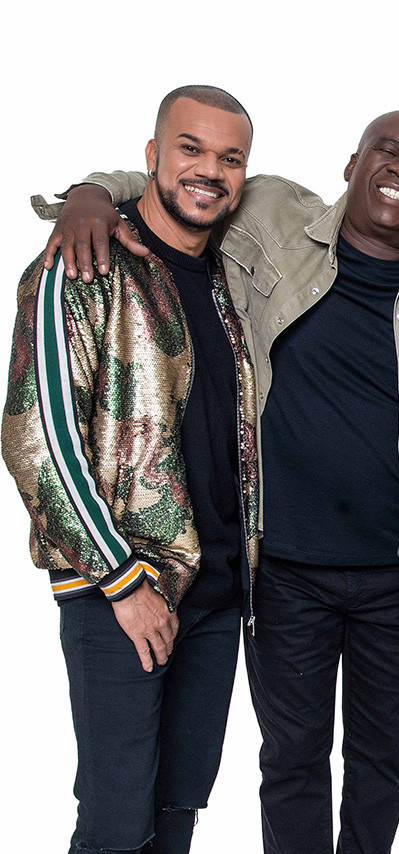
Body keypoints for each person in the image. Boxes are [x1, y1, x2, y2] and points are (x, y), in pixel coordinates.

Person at [39, 110, 399, 854]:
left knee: (374, 761)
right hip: (281, 571)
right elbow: (182, 186)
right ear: (351, 164)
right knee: (278, 764)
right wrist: (91, 193)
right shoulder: (273, 217)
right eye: (387, 150)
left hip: (393, 575)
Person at [3, 85, 258, 854]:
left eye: (230, 157)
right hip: (119, 592)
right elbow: (38, 439)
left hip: (216, 591)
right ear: (151, 155)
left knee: (176, 814)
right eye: (190, 148)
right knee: (116, 824)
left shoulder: (228, 280)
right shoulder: (81, 266)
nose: (209, 170)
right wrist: (122, 581)